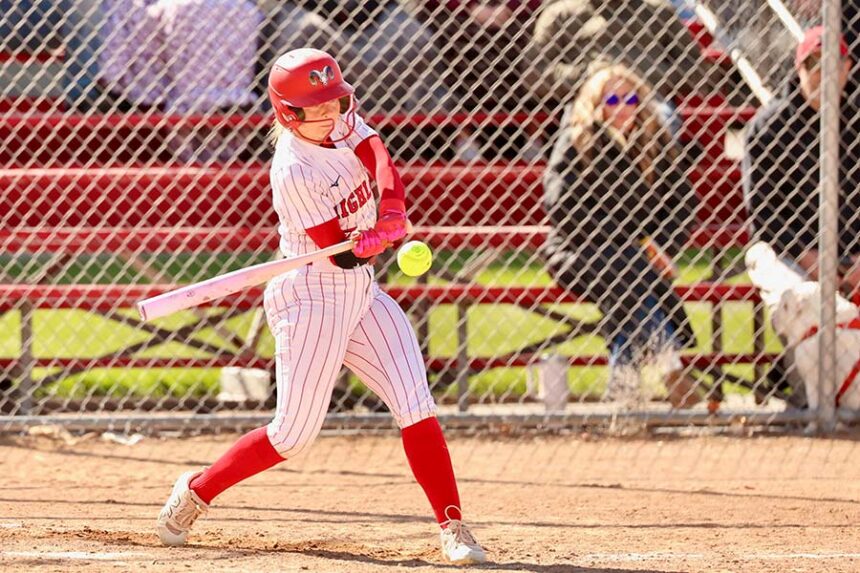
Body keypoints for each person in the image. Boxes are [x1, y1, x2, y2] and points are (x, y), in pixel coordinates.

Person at [156, 48, 487, 566]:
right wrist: (371, 242)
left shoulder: (338, 121)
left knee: (416, 404)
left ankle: (453, 526)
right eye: (319, 106)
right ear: (289, 114)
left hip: (361, 294)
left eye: (336, 101)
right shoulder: (293, 170)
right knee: (292, 435)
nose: (333, 112)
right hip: (311, 298)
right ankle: (197, 490)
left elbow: (376, 153)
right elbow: (341, 253)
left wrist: (391, 209)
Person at [540, 64, 701, 408]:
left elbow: (684, 202)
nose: (623, 107)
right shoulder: (577, 139)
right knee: (630, 272)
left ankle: (623, 396)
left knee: (626, 284)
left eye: (630, 99)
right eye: (612, 99)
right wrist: (629, 243)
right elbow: (561, 205)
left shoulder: (653, 138)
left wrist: (660, 245)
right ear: (595, 104)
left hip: (636, 258)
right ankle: (667, 362)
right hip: (578, 250)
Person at [743, 26, 860, 407]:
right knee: (801, 297)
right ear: (799, 69)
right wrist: (812, 259)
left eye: (833, 65)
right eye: (814, 66)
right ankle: (810, 395)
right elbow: (765, 216)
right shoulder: (770, 126)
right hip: (785, 250)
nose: (824, 75)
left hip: (851, 251)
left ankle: (836, 396)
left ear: (847, 68)